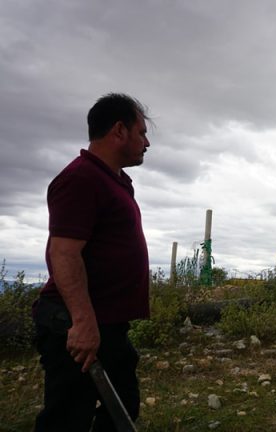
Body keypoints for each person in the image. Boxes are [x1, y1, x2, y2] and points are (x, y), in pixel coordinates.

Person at [32, 93, 152, 431]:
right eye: (141, 132)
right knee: (67, 417)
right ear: (119, 131)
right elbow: (64, 252)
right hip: (74, 323)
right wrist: (83, 323)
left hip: (108, 323)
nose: (147, 142)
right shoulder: (81, 178)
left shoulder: (113, 181)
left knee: (123, 406)